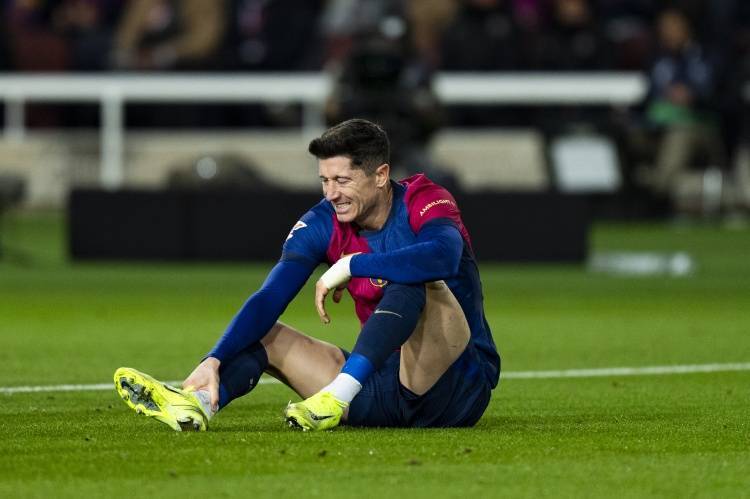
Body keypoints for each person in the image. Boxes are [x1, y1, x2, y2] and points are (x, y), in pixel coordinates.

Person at [114, 119, 500, 431]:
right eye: (324, 181)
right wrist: (214, 358)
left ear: (381, 175)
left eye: (342, 180)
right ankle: (196, 403)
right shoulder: (323, 222)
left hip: (456, 388)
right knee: (264, 333)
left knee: (415, 277)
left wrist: (352, 264)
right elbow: (270, 296)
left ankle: (337, 395)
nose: (331, 194)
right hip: (380, 386)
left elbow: (442, 256)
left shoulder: (424, 199)